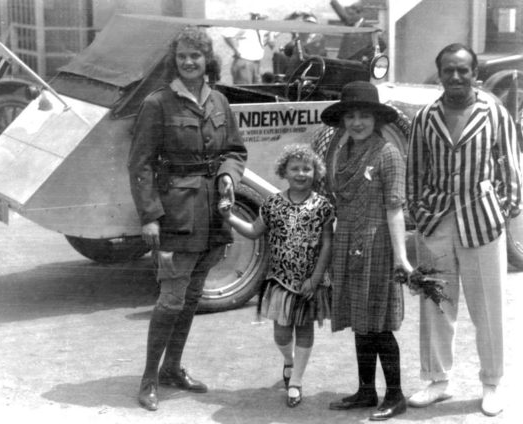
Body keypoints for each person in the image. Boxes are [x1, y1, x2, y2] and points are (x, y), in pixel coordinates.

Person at [128, 26, 247, 412]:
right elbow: (141, 165)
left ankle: (173, 368)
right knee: (171, 298)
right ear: (174, 61)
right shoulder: (158, 103)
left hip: (213, 212)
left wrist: (229, 174)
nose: (189, 62)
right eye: (182, 56)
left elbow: (235, 150)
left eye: (195, 55)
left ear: (206, 59)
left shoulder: (219, 101)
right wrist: (149, 216)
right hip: (177, 213)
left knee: (193, 296)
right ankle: (149, 378)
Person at [406, 43, 522, 417]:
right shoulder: (426, 117)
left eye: (463, 70)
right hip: (436, 222)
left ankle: (491, 383)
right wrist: (421, 214)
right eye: (448, 70)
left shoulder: (494, 113)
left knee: (487, 308)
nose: (456, 77)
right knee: (436, 302)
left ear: (475, 74)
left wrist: (501, 212)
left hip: (482, 224)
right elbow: (414, 172)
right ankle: (437, 380)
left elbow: (511, 170)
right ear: (439, 73)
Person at [321, 81, 412, 421]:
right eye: (351, 116)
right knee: (361, 322)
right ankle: (365, 390)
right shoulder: (342, 153)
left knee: (378, 324)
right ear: (344, 119)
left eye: (364, 115)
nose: (357, 122)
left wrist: (402, 258)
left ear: (377, 119)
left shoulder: (388, 154)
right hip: (347, 242)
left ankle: (395, 394)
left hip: (377, 247)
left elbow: (395, 209)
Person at [219, 144, 334, 408]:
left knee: (304, 330)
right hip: (280, 280)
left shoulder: (323, 206)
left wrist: (315, 279)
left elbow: (328, 244)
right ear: (284, 171)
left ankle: (296, 381)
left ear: (316, 172)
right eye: (295, 168)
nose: (301, 173)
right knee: (282, 334)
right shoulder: (273, 203)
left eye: (307, 168)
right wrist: (230, 217)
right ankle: (289, 360)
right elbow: (252, 230)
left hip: (309, 281)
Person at [222, 12, 274, 84]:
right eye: (263, 19)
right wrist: (235, 50)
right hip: (245, 62)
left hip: (256, 63)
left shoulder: (262, 30)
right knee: (245, 89)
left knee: (256, 90)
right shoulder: (245, 26)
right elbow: (226, 34)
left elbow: (271, 43)